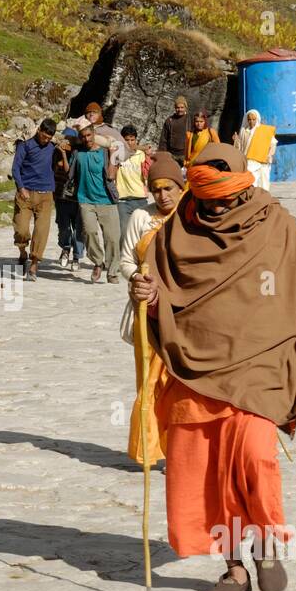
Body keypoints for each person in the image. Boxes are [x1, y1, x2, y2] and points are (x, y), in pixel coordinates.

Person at [129, 142, 296, 591]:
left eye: (225, 195)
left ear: (243, 182)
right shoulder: (174, 234)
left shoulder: (275, 225)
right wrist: (145, 293)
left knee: (253, 458)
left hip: (260, 365)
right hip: (193, 366)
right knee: (202, 471)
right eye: (208, 197)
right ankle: (233, 568)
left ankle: (265, 548)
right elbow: (162, 295)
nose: (218, 205)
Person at [120, 152, 186, 467]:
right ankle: (148, 448)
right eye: (156, 189)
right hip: (147, 312)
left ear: (180, 187)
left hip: (183, 314)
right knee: (148, 380)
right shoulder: (140, 219)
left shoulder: (192, 217)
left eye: (168, 188)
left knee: (177, 381)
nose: (162, 195)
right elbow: (125, 260)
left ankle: (179, 450)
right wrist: (137, 278)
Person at [71, 123, 120, 284]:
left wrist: (113, 156)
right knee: (89, 233)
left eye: (89, 135)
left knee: (112, 238)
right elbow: (69, 172)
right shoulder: (78, 153)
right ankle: (98, 262)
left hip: (106, 200)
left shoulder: (105, 153)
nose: (87, 139)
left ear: (94, 134)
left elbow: (111, 176)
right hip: (85, 200)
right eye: (83, 136)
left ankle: (112, 271)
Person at [11, 118, 56, 281]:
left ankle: (33, 266)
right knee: (21, 229)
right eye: (45, 136)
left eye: (50, 137)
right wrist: (21, 188)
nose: (46, 140)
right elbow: (15, 167)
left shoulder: (53, 147)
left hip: (46, 195)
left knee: (41, 231)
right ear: (39, 131)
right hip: (26, 193)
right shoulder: (25, 146)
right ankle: (23, 252)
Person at [53, 125, 85, 270]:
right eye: (65, 138)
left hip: (78, 198)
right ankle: (65, 249)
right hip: (61, 196)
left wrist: (65, 156)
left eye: (70, 138)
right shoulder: (56, 152)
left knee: (79, 229)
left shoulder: (80, 154)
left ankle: (77, 257)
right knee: (64, 226)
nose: (67, 141)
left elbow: (68, 172)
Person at [114, 125, 151, 236]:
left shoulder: (141, 155)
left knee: (141, 233)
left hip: (140, 198)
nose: (130, 142)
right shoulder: (116, 155)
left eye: (132, 140)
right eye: (126, 140)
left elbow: (147, 173)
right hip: (122, 200)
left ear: (136, 140)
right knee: (124, 232)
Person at [234, 109, 276, 190]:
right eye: (249, 119)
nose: (251, 122)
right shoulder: (243, 131)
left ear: (257, 119)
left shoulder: (263, 131)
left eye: (253, 119)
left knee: (264, 183)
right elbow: (239, 148)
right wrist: (236, 140)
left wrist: (269, 155)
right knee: (252, 182)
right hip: (249, 161)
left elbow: (273, 143)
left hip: (263, 161)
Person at [82, 102, 129, 167]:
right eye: (88, 112)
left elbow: (125, 153)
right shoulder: (80, 128)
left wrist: (113, 162)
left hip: (102, 168)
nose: (91, 114)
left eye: (95, 112)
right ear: (85, 115)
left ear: (100, 114)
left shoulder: (108, 130)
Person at [159, 95, 191, 163]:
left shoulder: (190, 120)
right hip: (171, 154)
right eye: (177, 107)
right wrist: (162, 154)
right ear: (175, 108)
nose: (180, 110)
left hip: (185, 155)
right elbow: (163, 139)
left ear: (186, 108)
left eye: (182, 107)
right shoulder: (169, 120)